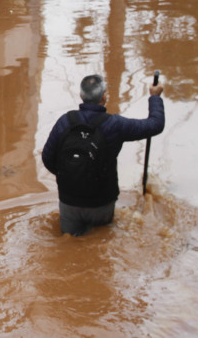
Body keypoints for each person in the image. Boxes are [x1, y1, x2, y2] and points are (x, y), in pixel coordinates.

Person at [41, 74, 164, 236]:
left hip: (69, 202)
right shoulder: (115, 125)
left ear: (81, 96)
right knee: (102, 240)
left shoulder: (65, 122)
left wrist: (68, 176)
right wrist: (155, 97)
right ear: (104, 96)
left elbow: (47, 158)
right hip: (101, 204)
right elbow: (155, 125)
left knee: (69, 239)